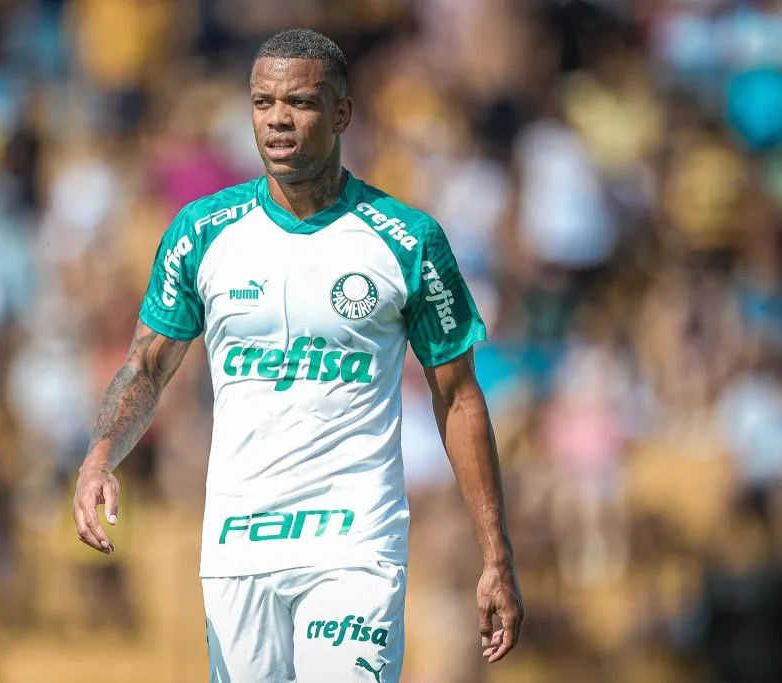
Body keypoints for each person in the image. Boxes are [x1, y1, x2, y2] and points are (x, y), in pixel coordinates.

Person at [72, 28, 524, 682]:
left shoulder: (408, 240)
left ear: (341, 113)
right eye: (262, 103)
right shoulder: (202, 233)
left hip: (355, 539)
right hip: (238, 544)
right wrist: (100, 454)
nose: (278, 119)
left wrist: (496, 553)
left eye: (301, 103)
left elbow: (457, 395)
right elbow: (146, 365)